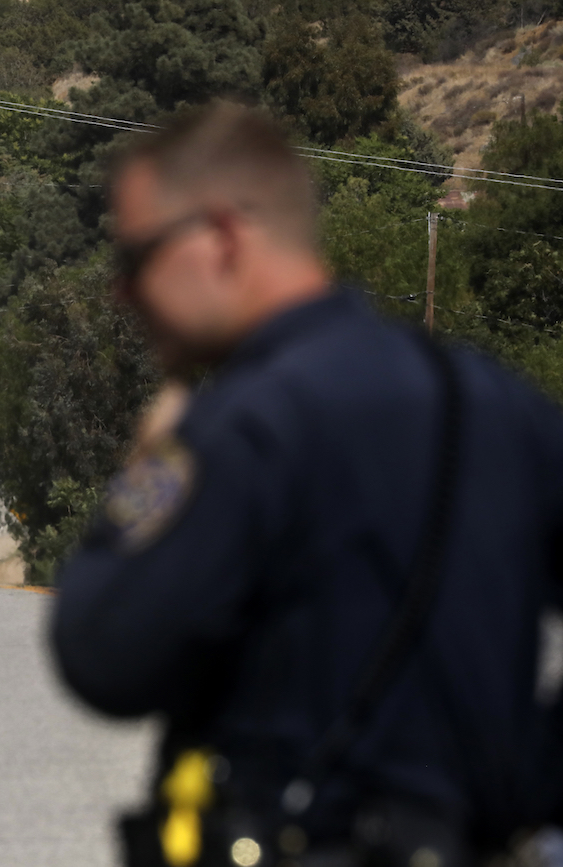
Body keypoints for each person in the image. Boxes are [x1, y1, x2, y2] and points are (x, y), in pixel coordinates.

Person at [52, 103, 563, 867]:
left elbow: (104, 653)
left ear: (222, 236)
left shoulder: (244, 426)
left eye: (136, 258)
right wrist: (531, 780)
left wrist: (148, 466)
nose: (122, 292)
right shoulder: (493, 401)